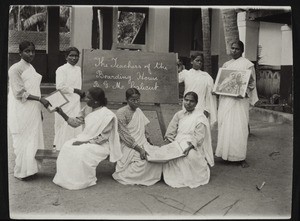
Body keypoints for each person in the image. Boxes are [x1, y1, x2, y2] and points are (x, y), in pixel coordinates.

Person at [52, 87, 122, 190]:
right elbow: (75, 123)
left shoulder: (107, 115)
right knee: (67, 146)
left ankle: (82, 180)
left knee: (82, 151)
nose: (85, 100)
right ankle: (67, 179)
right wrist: (61, 113)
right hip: (85, 138)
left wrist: (84, 142)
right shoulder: (87, 108)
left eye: (88, 98)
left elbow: (103, 138)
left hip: (100, 144)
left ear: (96, 101)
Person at [8, 41, 51, 180]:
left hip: (33, 108)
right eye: (27, 51)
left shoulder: (31, 67)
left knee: (33, 138)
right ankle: (21, 171)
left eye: (33, 51)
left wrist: (39, 109)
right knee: (22, 139)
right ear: (20, 53)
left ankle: (31, 170)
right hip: (21, 109)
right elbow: (19, 93)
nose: (31, 54)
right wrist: (40, 99)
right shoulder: (15, 69)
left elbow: (34, 89)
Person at [214, 40, 258, 168]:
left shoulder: (247, 64)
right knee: (226, 125)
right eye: (232, 48)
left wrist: (244, 91)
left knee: (239, 127)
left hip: (239, 101)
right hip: (226, 100)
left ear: (242, 50)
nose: (234, 51)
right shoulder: (226, 64)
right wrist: (217, 89)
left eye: (236, 49)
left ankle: (239, 157)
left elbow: (252, 83)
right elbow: (222, 82)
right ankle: (224, 154)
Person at [162, 92, 214, 188]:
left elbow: (199, 136)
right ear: (183, 100)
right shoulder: (179, 114)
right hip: (177, 141)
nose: (188, 103)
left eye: (192, 101)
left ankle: (190, 177)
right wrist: (172, 143)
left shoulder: (200, 117)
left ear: (196, 103)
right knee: (168, 154)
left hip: (191, 142)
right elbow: (171, 131)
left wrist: (190, 146)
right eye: (186, 100)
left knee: (190, 156)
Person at [112, 88, 162, 186]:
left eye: (138, 100)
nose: (136, 102)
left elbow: (144, 128)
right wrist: (139, 149)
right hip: (128, 145)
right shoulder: (121, 113)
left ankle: (149, 175)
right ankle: (124, 175)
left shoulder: (138, 111)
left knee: (155, 157)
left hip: (142, 142)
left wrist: (149, 142)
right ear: (127, 99)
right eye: (133, 100)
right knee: (144, 162)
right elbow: (125, 135)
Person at [53, 47, 85, 151]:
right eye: (71, 55)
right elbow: (60, 86)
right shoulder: (61, 69)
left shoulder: (79, 69)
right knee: (63, 125)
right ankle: (61, 149)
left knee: (75, 124)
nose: (74, 58)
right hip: (64, 101)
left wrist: (79, 94)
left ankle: (73, 150)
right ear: (66, 57)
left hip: (75, 101)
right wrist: (75, 90)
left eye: (76, 56)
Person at [178, 53, 217, 127]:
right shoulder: (186, 73)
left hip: (201, 107)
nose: (199, 62)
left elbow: (210, 95)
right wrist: (178, 69)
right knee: (187, 127)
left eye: (201, 61)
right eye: (197, 60)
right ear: (192, 61)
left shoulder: (206, 76)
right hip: (187, 104)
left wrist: (207, 109)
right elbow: (174, 80)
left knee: (199, 129)